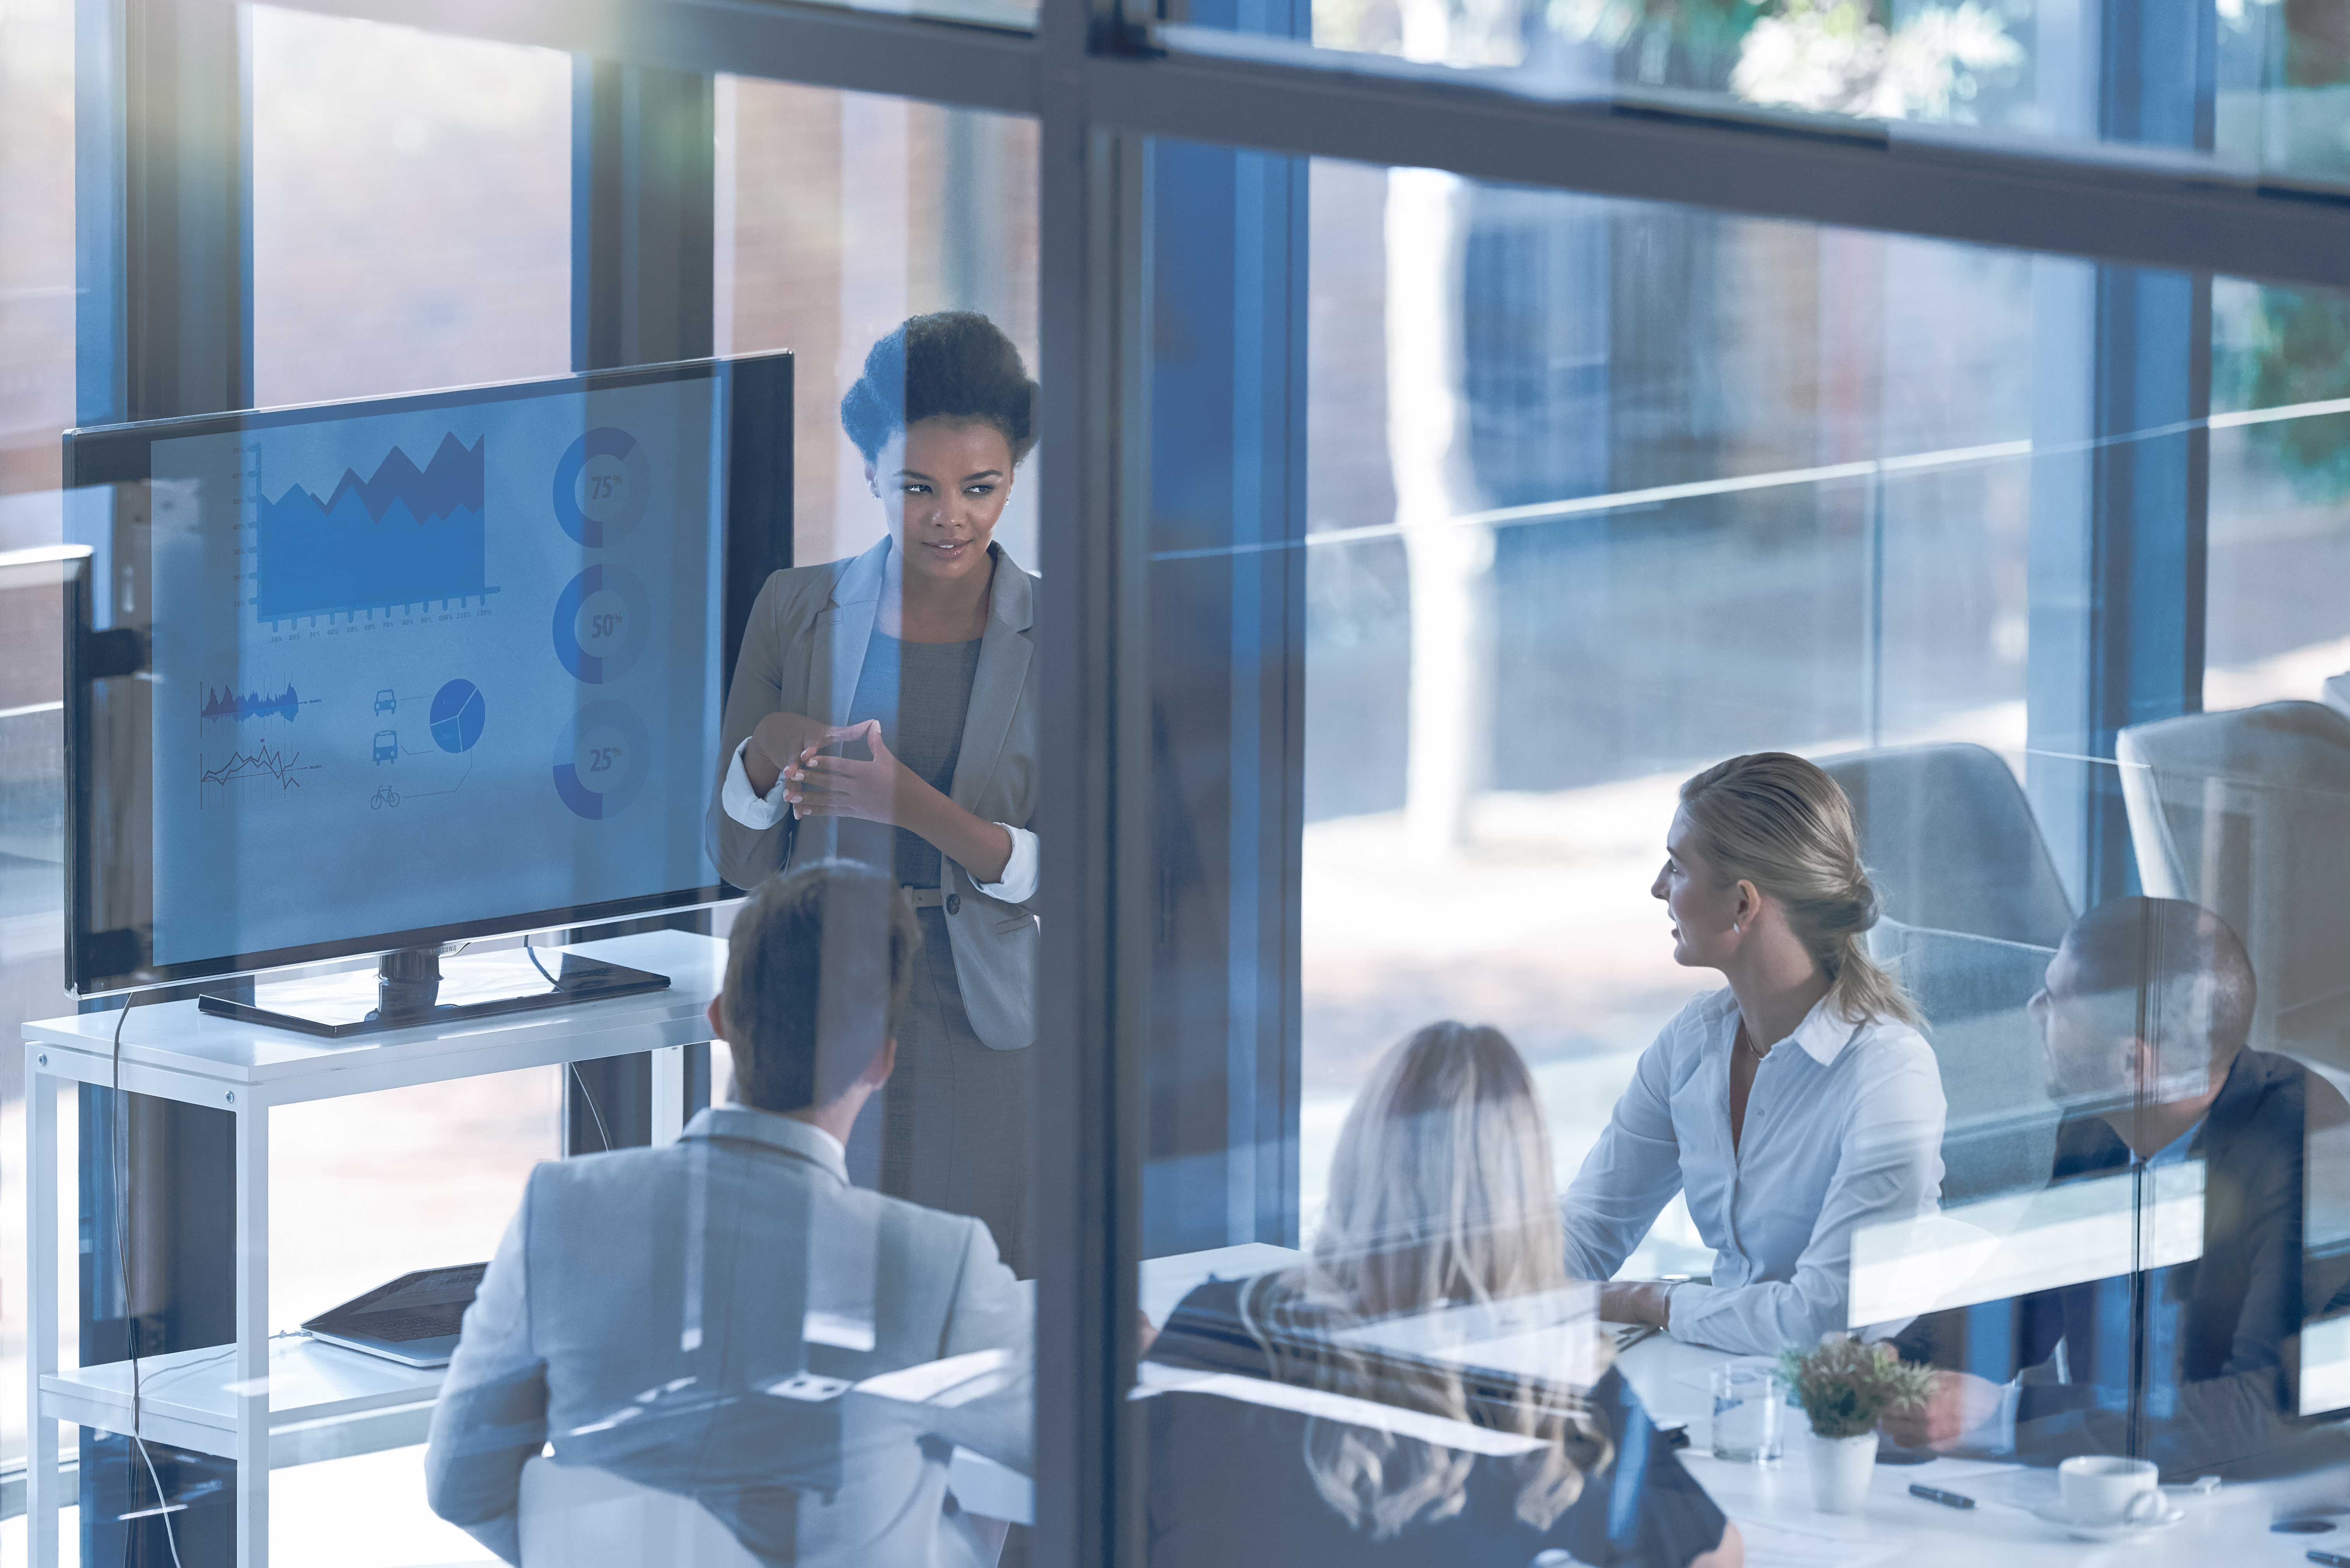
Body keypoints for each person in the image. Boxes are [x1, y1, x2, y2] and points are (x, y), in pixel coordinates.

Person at [424, 860, 1032, 1566]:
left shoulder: (559, 1212)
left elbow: (461, 1486)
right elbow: (1073, 1441)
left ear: (720, 1016)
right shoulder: (937, 1265)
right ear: (881, 1061)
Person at [1145, 1022, 1742, 1568]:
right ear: (1523, 1200)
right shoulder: (1565, 1392)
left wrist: (1165, 1354)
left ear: (1359, 1156)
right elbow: (1713, 1557)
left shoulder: (1221, 1322)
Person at [707, 312, 1041, 1275]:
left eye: (982, 488)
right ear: (869, 478)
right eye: (916, 488)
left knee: (977, 1282)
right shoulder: (795, 608)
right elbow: (736, 861)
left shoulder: (1064, 631)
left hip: (983, 1007)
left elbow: (1073, 874)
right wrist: (767, 750)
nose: (952, 517)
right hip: (823, 987)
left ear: (1012, 475)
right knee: (815, 1281)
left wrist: (909, 804)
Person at [1883, 897, 2350, 1477]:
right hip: (2105, 1495)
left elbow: (2255, 1414)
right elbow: (2018, 1299)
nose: (2033, 1009)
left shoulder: (2309, 1148)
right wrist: (1891, 1362)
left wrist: (2003, 1418)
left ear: (2134, 1063)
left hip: (2265, 1513)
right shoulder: (2096, 1124)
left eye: (2053, 999)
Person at [1559, 752, 1946, 1356]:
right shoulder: (1693, 1043)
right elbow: (1587, 1228)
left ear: (1743, 904)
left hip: (1851, 1412)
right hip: (1719, 1381)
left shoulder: (1888, 1072)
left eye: (1676, 867)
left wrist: (1647, 1300)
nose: (1658, 887)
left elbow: (1815, 1319)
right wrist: (1486, 1279)